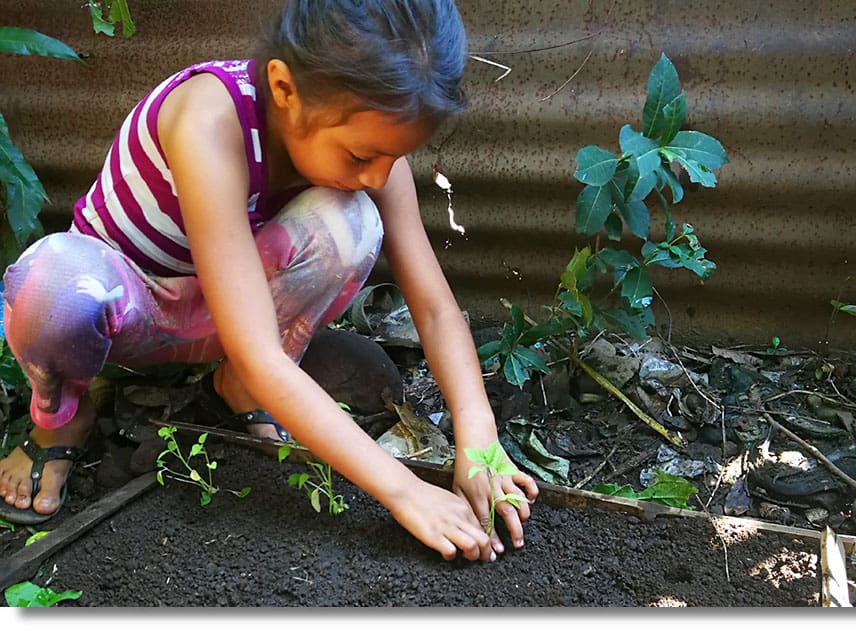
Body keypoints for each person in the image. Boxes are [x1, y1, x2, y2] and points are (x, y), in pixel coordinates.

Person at [0, 0, 538, 562]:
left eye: (392, 157)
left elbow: (433, 307)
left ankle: (239, 388)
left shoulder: (372, 145)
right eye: (361, 155)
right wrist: (404, 491)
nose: (378, 175)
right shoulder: (208, 119)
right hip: (127, 308)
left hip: (233, 318)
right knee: (54, 286)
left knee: (353, 220)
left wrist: (478, 437)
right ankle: (59, 420)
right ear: (284, 88)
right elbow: (257, 347)